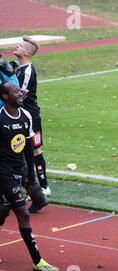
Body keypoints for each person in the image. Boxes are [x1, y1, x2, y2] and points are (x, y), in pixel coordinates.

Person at [0, 81, 58, 271]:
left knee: (3, 213)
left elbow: (28, 149)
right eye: (15, 91)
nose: (20, 93)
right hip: (3, 172)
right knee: (23, 213)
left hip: (19, 169)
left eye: (20, 90)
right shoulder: (0, 118)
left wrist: (30, 180)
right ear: (5, 97)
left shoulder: (26, 116)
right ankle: (37, 261)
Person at [13, 36, 51, 203]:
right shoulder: (16, 68)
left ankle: (43, 187)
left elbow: (20, 95)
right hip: (19, 114)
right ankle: (28, 185)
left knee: (35, 149)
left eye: (20, 45)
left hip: (30, 116)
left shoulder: (28, 70)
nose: (17, 46)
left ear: (27, 52)